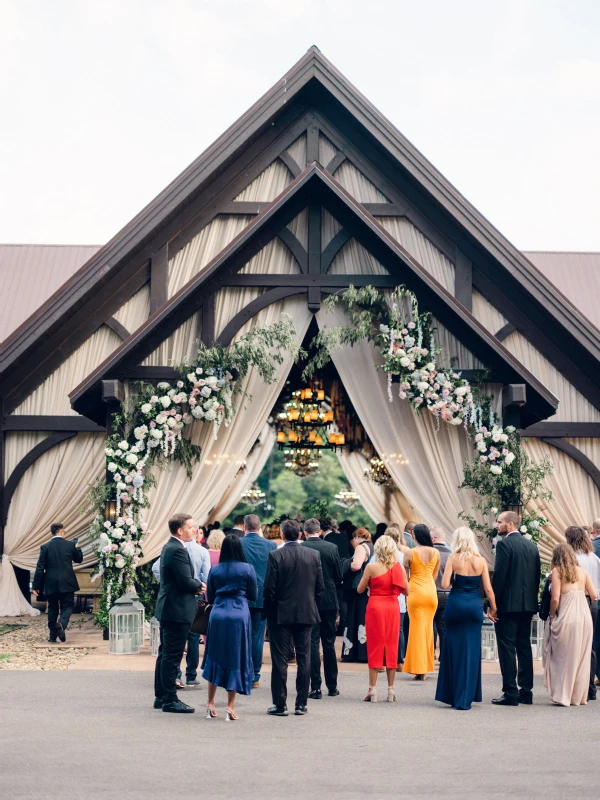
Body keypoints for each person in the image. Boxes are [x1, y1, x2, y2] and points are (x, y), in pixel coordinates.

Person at [263, 519, 324, 716]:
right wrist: (312, 605)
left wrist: (270, 612)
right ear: (300, 534)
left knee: (280, 660)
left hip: (281, 613)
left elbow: (269, 589)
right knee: (304, 657)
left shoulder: (275, 555)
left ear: (282, 535)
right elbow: (320, 587)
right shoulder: (313, 555)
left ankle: (280, 704)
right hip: (306, 611)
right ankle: (301, 704)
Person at [435, 527, 497, 710]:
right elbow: (488, 589)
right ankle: (467, 695)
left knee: (453, 648)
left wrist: (455, 579)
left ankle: (453, 694)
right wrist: (494, 608)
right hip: (474, 606)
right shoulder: (481, 561)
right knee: (471, 649)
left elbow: (445, 584)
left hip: (456, 604)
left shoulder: (454, 558)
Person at [202, 535, 258, 720]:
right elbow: (253, 595)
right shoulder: (247, 568)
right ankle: (230, 706)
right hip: (239, 615)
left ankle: (210, 702)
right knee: (235, 656)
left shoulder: (215, 569)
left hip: (218, 614)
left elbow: (209, 595)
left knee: (215, 656)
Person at [152, 518, 210, 689]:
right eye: (191, 527)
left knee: (166, 653)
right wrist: (199, 586)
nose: (194, 530)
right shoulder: (176, 549)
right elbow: (185, 580)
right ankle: (169, 697)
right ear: (180, 530)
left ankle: (162, 695)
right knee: (171, 654)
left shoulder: (172, 547)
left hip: (174, 606)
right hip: (176, 608)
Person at [491, 510, 541, 706]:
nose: (497, 525)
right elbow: (536, 577)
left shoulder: (504, 545)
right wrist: (532, 605)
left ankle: (511, 692)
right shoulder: (532, 546)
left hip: (507, 606)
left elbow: (499, 577)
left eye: (500, 522)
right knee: (524, 647)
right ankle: (526, 691)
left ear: (510, 524)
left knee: (507, 648)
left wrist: (492, 605)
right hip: (527, 605)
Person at [543, 543, 597, 706]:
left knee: (562, 656)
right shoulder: (582, 571)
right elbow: (594, 595)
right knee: (580, 657)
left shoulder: (557, 571)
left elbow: (555, 598)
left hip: (567, 615)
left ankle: (562, 695)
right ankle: (576, 697)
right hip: (584, 616)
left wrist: (552, 615)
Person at [358, 535, 408, 702]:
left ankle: (372, 689)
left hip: (375, 607)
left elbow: (359, 589)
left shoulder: (371, 567)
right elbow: (407, 591)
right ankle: (391, 689)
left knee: (375, 645)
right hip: (392, 607)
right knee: (391, 644)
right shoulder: (398, 568)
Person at [303, 518, 343, 699]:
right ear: (319, 531)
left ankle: (315, 687)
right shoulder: (331, 548)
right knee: (328, 642)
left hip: (308, 600)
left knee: (312, 642)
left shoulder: (301, 548)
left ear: (305, 532)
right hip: (328, 600)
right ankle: (332, 686)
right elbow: (338, 575)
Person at [240, 513, 277, 689]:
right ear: (260, 527)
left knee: (240, 634)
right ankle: (254, 674)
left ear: (244, 527)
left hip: (241, 596)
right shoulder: (270, 545)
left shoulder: (238, 543)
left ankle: (241, 671)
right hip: (262, 596)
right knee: (257, 637)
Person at [564, 526, 600, 700]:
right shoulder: (594, 558)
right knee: (590, 645)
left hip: (577, 599)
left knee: (573, 643)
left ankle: (574, 686)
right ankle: (590, 688)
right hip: (593, 602)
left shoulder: (572, 559)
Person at [32, 523, 83, 643]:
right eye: (64, 531)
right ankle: (61, 623)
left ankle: (52, 636)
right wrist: (77, 547)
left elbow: (40, 568)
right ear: (61, 532)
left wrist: (36, 585)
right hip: (67, 581)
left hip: (51, 582)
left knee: (53, 608)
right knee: (68, 606)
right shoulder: (70, 545)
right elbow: (78, 559)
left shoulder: (45, 547)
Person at [402, 523, 439, 680]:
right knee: (427, 630)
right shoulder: (436, 552)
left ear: (415, 536)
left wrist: (407, 590)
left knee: (416, 630)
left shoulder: (410, 552)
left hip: (415, 592)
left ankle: (419, 668)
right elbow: (434, 576)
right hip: (430, 592)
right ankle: (425, 666)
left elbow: (404, 576)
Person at [341, 528, 373, 663]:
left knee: (354, 618)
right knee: (364, 620)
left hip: (358, 588)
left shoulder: (361, 547)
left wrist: (346, 562)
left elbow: (356, 565)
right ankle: (364, 652)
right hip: (368, 588)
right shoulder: (372, 546)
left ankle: (353, 652)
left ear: (357, 537)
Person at [324, 517, 352, 634]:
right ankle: (343, 626)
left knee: (333, 600)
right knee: (342, 601)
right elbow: (351, 552)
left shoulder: (327, 539)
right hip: (344, 570)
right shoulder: (344, 537)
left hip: (331, 573)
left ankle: (331, 625)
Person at [431, 527, 452, 659]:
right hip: (447, 593)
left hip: (432, 593)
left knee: (429, 625)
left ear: (433, 538)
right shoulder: (451, 554)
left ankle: (430, 654)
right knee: (443, 627)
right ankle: (443, 656)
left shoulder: (430, 553)